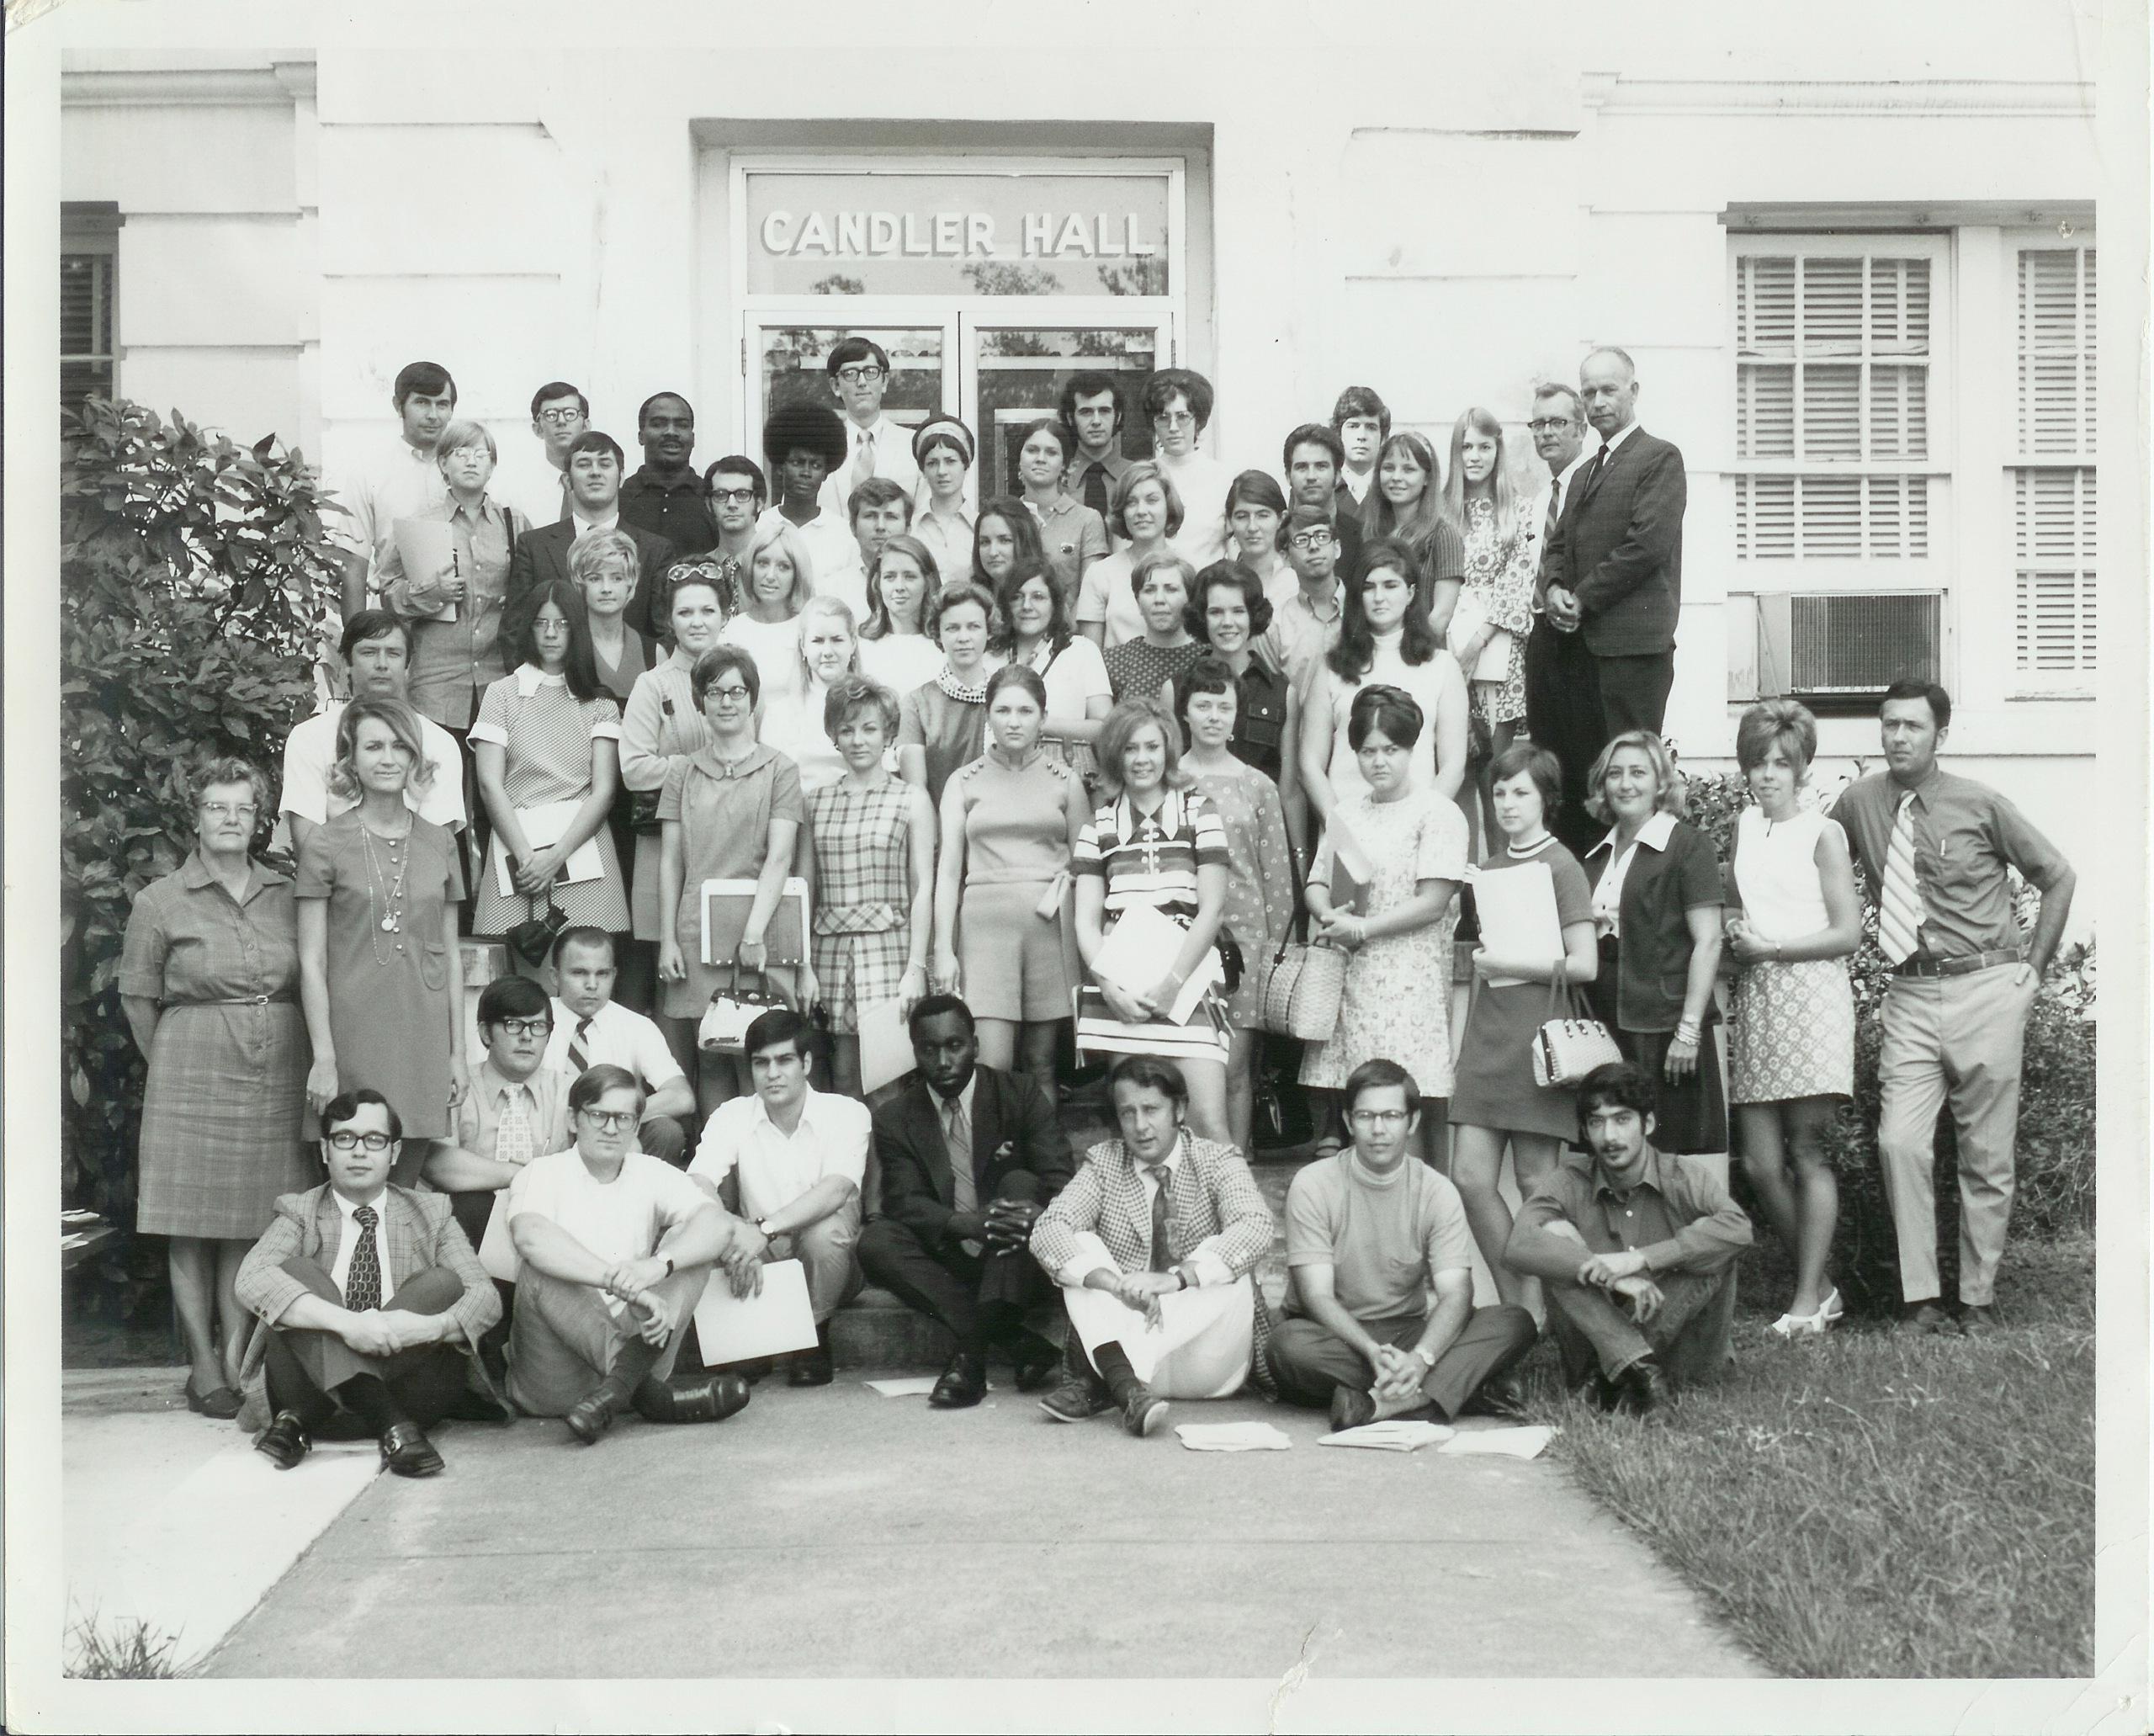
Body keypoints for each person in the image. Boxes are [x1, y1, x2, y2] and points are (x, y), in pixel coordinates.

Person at [1829, 680, 2076, 1335]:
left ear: (1942, 733)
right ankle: (1920, 1298)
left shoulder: (1980, 802)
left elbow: (2057, 874)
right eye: (1889, 725)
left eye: (1913, 726)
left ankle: (1978, 1297)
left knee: (1986, 1155)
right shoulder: (1858, 803)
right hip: (1909, 992)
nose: (1898, 737)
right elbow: (1815, 864)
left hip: (1986, 988)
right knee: (1899, 1142)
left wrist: (2034, 972)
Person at [119, 757, 313, 1419]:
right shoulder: (160, 899)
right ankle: (202, 1364)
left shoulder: (286, 892)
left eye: (243, 808)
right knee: (188, 1225)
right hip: (191, 1067)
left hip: (277, 1067)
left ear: (260, 819)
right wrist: (173, 1062)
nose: (230, 820)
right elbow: (138, 997)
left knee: (245, 1223)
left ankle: (236, 1358)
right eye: (216, 808)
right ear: (195, 816)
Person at [240, 1090, 504, 1478]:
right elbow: (251, 1277)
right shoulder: (300, 1212)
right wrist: (349, 1325)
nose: (359, 1151)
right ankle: (389, 1425)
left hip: (406, 1392)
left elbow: (485, 1297)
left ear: (394, 1153)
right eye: (344, 1138)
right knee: (295, 1272)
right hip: (319, 1390)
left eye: (374, 1140)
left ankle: (302, 1421)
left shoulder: (431, 1213)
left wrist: (433, 1326)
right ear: (326, 1151)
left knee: (444, 1284)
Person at [1270, 1059, 1537, 1430]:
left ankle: (1379, 1404)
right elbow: (1316, 1297)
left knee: (1513, 1321)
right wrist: (1371, 1350)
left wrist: (1422, 1358)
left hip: (1408, 1331)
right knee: (1287, 1347)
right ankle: (1454, 1389)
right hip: (1336, 1337)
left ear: (1412, 1122)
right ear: (1348, 1122)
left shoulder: (1436, 1190)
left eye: (1392, 1116)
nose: (1378, 1129)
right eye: (1366, 1116)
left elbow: (1456, 1294)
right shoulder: (1313, 1183)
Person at [1030, 1056, 1276, 1436]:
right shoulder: (1105, 1163)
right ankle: (1128, 1388)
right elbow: (1048, 1229)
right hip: (1138, 1355)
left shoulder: (1217, 1159)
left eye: (1151, 1110)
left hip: (1208, 1361)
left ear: (1179, 1109)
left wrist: (1176, 1279)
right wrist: (1115, 1284)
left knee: (1222, 1256)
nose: (1140, 1126)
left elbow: (1257, 1226)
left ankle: (1108, 1381)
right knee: (1078, 1245)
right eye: (1127, 1113)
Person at [503, 1065, 750, 1441]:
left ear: (637, 1126)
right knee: (542, 1270)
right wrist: (620, 1283)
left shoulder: (650, 1171)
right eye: (598, 1115)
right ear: (573, 1119)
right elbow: (530, 1237)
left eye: (623, 1118)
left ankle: (619, 1389)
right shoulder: (542, 1172)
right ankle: (652, 1398)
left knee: (692, 1246)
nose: (611, 1127)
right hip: (556, 1379)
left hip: (641, 1347)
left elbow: (717, 1226)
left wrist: (657, 1267)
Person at [858, 994, 1071, 1407]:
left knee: (1020, 1181)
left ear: (975, 1044)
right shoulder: (895, 1116)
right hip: (952, 1250)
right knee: (876, 1242)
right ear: (915, 1051)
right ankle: (1016, 1341)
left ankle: (969, 1357)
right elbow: (904, 1200)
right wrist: (969, 1224)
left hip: (1016, 1255)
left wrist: (1036, 1214)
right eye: (929, 1049)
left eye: (954, 1046)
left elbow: (1060, 1178)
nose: (943, 1061)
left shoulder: (1020, 1093)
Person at [1504, 1062, 1752, 1415]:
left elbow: (1740, 1229)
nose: (1609, 1136)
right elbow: (1519, 1244)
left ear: (1647, 1124)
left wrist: (1643, 1259)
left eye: (1622, 1120)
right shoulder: (1570, 1179)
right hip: (1594, 1344)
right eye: (1596, 1122)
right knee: (1554, 1242)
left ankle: (1616, 1374)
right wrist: (1604, 1272)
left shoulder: (1682, 1177)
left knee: (1711, 1244)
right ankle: (1636, 1373)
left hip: (1679, 1353)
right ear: (1586, 1131)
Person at [1725, 701, 1862, 1336]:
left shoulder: (1822, 833)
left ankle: (1806, 1296)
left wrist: (1774, 948)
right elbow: (1746, 900)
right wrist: (1738, 929)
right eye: (1758, 761)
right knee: (1757, 1163)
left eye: (1782, 762)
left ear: (1803, 767)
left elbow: (1847, 932)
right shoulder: (1745, 825)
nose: (1768, 773)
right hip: (1758, 992)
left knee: (1809, 1153)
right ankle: (1825, 1284)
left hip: (1811, 993)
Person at [1449, 743, 1600, 1309]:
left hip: (1540, 1036)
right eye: (1500, 792)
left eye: (1521, 792)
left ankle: (1564, 1310)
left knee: (1538, 1183)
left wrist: (1510, 964)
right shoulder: (1487, 868)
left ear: (1546, 799)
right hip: (1488, 1036)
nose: (1508, 803)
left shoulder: (1561, 865)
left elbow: (1585, 964)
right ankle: (1520, 1309)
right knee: (1469, 1176)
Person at [294, 697, 467, 1178]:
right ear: (350, 759)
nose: (387, 758)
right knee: (349, 1187)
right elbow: (311, 961)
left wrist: (458, 1055)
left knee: (405, 1188)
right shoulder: (324, 843)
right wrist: (324, 1057)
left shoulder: (441, 842)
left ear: (415, 758)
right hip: (350, 1039)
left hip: (423, 1037)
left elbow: (451, 956)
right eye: (373, 746)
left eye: (399, 746)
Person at [1300, 687, 1468, 1166]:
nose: (1379, 762)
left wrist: (1364, 929)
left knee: (1406, 1107)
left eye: (1391, 750)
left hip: (1409, 981)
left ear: (1412, 749)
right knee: (1365, 1110)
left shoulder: (1437, 812)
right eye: (1368, 751)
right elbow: (1317, 881)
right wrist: (1329, 914)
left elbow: (1433, 902)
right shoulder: (1348, 813)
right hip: (1352, 981)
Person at [1071, 699, 1234, 1144]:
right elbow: (1086, 921)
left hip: (1188, 980)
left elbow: (1212, 908)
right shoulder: (1098, 825)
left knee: (1208, 1124)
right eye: (1130, 749)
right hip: (1122, 988)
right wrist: (1109, 987)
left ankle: (1239, 1216)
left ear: (1168, 750)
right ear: (1114, 756)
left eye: (1152, 747)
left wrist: (1174, 981)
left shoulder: (1199, 812)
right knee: (1140, 1128)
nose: (1142, 759)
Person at [657, 645, 808, 1112]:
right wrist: (667, 939)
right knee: (713, 1060)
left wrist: (753, 934)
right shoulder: (682, 772)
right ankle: (719, 1185)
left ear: (752, 698)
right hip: (697, 933)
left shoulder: (780, 770)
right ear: (700, 701)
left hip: (761, 931)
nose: (727, 701)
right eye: (715, 692)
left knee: (761, 1061)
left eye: (737, 691)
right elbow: (671, 861)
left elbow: (780, 858)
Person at [688, 1009, 868, 1384]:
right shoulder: (732, 1114)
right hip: (757, 1253)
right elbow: (698, 1183)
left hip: (827, 1262)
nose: (772, 1074)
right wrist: (736, 1232)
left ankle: (814, 1339)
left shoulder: (846, 1113)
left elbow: (835, 1191)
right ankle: (755, 1342)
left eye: (785, 1060)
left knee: (824, 1235)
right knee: (706, 1227)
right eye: (761, 1063)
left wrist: (764, 1229)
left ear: (806, 1063)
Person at [932, 665, 1087, 1080]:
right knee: (990, 1063)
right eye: (1003, 711)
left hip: (1049, 932)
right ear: (988, 715)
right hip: (984, 934)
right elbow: (948, 872)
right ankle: (990, 1147)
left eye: (1025, 711)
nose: (1014, 721)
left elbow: (1085, 866)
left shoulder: (1066, 781)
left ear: (1043, 717)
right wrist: (943, 949)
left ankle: (1042, 1148)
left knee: (1041, 1063)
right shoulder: (963, 781)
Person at [1579, 730, 1727, 1160]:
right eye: (1616, 774)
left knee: (1664, 1152)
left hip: (1662, 1025)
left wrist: (1689, 1030)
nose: (1626, 784)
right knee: (1610, 1146)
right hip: (1604, 1015)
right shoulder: (1597, 855)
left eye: (1638, 773)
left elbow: (1709, 941)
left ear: (1660, 783)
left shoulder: (1686, 845)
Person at [1176, 657, 1297, 1158]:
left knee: (1236, 1066)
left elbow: (1277, 878)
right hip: (1179, 937)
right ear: (1183, 710)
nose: (1213, 716)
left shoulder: (1258, 785)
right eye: (1203, 704)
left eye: (1224, 706)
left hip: (1244, 941)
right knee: (1184, 1062)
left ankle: (1237, 1166)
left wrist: (1273, 952)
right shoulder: (1165, 779)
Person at [470, 581, 632, 945]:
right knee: (524, 983)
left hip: (582, 847)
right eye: (541, 623)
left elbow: (604, 791)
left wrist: (555, 857)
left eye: (562, 624)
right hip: (517, 850)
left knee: (586, 964)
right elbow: (489, 784)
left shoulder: (600, 703)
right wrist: (530, 860)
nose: (551, 634)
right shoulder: (501, 694)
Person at [798, 674, 936, 1097]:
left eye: (870, 728)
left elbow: (923, 888)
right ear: (834, 736)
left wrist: (917, 967)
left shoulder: (911, 798)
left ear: (889, 734)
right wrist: (803, 965)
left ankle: (893, 1166)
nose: (859, 740)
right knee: (841, 1076)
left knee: (888, 1081)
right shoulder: (815, 801)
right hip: (830, 953)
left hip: (889, 952)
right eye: (847, 729)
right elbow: (804, 888)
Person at [1540, 347, 1687, 741]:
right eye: (1589, 393)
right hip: (1581, 652)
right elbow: (1558, 544)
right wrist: (1554, 588)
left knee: (1631, 770)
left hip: (1633, 652)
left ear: (1633, 390)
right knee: (1590, 776)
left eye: (1609, 390)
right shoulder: (1584, 471)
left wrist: (1581, 598)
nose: (1598, 402)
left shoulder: (1659, 458)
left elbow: (1645, 546)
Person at [618, 561, 730, 1023]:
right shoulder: (654, 683)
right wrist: (699, 765)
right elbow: (635, 769)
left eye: (708, 610)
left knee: (725, 973)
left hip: (728, 841)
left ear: (725, 614)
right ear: (669, 619)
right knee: (674, 978)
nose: (697, 621)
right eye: (685, 612)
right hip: (667, 843)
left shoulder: (740, 675)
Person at [1297, 539, 1468, 827]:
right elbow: (1310, 763)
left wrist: (1418, 823)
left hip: (1417, 827)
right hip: (1347, 829)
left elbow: (1453, 766)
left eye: (1390, 585)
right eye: (1368, 587)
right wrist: (1339, 825)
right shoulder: (1332, 666)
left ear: (1411, 592)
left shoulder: (1442, 667)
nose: (1379, 597)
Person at [375, 418, 524, 746]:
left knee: (494, 783)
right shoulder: (417, 525)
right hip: (436, 681)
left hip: (499, 676)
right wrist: (431, 593)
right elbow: (387, 596)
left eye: (481, 454)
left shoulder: (514, 523)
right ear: (443, 462)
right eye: (460, 452)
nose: (471, 461)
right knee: (438, 781)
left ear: (492, 465)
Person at [280, 612, 467, 858]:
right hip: (334, 888)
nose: (382, 664)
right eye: (369, 652)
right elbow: (309, 845)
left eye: (393, 653)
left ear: (408, 665)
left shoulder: (439, 743)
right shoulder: (308, 738)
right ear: (347, 662)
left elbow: (436, 849)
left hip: (414, 889)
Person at [1441, 407, 1540, 846]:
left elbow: (1519, 580)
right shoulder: (1442, 511)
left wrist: (1478, 642)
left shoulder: (1516, 511)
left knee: (1495, 770)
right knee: (1457, 764)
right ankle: (1462, 889)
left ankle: (1501, 870)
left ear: (1498, 450)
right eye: (1467, 446)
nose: (1475, 456)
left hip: (1497, 653)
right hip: (1448, 647)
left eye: (1485, 446)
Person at [424, 974, 572, 1251]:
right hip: (475, 1225)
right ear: (485, 1032)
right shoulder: (458, 1087)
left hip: (550, 1220)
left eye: (538, 1026)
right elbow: (438, 1164)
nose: (527, 1036)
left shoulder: (568, 1090)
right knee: (466, 1203)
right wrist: (523, 1175)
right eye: (513, 1025)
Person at [1520, 383, 1600, 852]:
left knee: (1583, 766)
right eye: (1539, 424)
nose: (1547, 432)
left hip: (1581, 640)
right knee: (1548, 766)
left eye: (1558, 422)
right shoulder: (1536, 501)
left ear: (1582, 428)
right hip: (1542, 640)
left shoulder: (1592, 485)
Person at [543, 927, 696, 1165]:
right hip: (548, 1132)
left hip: (615, 1138)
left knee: (666, 1131)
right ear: (554, 976)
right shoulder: (535, 1021)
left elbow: (682, 1096)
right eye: (579, 973)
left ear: (614, 975)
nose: (592, 984)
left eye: (602, 974)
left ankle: (640, 1200)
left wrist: (608, 1116)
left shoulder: (636, 1025)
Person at [507, 431, 676, 640]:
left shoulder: (655, 550)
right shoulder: (533, 546)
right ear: (568, 480)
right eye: (584, 464)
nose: (595, 472)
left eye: (605, 464)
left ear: (621, 477)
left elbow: (665, 634)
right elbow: (514, 631)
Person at [329, 359, 454, 617]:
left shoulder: (470, 469)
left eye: (442, 404)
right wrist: (356, 640)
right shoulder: (370, 474)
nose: (433, 415)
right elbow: (354, 565)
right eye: (422, 402)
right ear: (399, 406)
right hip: (396, 621)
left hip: (462, 630)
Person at [1191, 561, 1302, 850]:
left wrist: (1300, 858)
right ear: (1202, 618)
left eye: (1238, 611)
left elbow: (1289, 790)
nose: (1228, 622)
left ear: (1253, 616)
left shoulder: (1281, 692)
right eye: (1216, 612)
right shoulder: (1178, 688)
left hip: (1261, 840)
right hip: (1194, 839)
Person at [994, 555, 1112, 780]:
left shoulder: (1081, 650)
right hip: (999, 770)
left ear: (1055, 603)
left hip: (1064, 770)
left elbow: (1105, 726)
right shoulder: (991, 653)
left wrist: (1041, 722)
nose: (1026, 606)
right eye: (1017, 597)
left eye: (1038, 597)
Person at [897, 581, 999, 810]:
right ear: (938, 634)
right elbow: (916, 790)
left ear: (989, 631)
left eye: (973, 627)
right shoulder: (916, 703)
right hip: (939, 828)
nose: (963, 637)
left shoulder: (1005, 698)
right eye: (952, 628)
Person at [1361, 430, 1465, 635]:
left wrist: (1406, 655)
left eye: (1409, 469)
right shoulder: (1371, 531)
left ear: (1427, 477)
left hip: (1419, 652)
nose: (1396, 477)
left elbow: (1441, 615)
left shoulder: (1443, 535)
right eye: (1389, 468)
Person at [751, 595, 858, 795]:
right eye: (818, 641)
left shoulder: (872, 708)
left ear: (852, 643)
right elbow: (771, 787)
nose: (828, 651)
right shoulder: (779, 714)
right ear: (803, 646)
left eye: (837, 640)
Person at [1075, 462, 1182, 650]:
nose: (1141, 511)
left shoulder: (1190, 569)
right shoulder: (1101, 573)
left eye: (1151, 500)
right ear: (1122, 511)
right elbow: (1089, 657)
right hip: (1114, 677)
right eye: (1131, 502)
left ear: (1168, 506)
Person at [721, 516, 815, 723]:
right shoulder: (732, 632)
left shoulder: (810, 630)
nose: (770, 575)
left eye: (783, 566)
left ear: (797, 574)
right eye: (763, 563)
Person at [817, 336, 921, 521]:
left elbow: (923, 520)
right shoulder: (819, 448)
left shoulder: (913, 446)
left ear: (885, 381)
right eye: (850, 373)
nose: (862, 382)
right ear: (835, 386)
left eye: (871, 371)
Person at [1143, 369, 1231, 567]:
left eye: (1182, 416)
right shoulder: (1142, 476)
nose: (1173, 427)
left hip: (1207, 591)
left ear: (1198, 420)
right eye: (1163, 418)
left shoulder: (1224, 478)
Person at [1014, 416, 1107, 600]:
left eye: (1051, 452)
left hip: (1068, 627)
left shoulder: (1087, 520)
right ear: (1019, 460)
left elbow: (1090, 596)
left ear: (1066, 465)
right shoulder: (1005, 518)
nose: (1041, 459)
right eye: (1032, 450)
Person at [764, 402, 857, 587]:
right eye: (798, 462)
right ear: (781, 467)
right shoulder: (761, 527)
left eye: (815, 465)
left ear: (825, 474)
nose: (806, 472)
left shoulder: (845, 535)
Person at [618, 392, 719, 557]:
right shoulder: (621, 498)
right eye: (658, 424)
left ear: (693, 438)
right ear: (641, 436)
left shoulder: (711, 499)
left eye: (682, 425)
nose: (671, 432)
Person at [1103, 550, 1205, 709]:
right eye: (1149, 590)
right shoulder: (1115, 661)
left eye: (1171, 589)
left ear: (1190, 599)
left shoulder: (1207, 658)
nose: (1159, 600)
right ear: (1138, 602)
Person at [572, 529, 657, 708]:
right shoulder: (568, 648)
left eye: (617, 578)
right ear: (581, 584)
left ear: (631, 582)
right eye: (595, 578)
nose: (606, 588)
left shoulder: (654, 652)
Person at [1267, 504, 1346, 693]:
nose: (1313, 546)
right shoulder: (1276, 626)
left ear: (1336, 548)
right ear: (1285, 558)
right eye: (1301, 540)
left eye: (1322, 536)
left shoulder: (1362, 609)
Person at [856, 534, 947, 698]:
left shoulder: (944, 646)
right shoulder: (862, 647)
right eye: (890, 577)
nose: (899, 587)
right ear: (877, 584)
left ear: (927, 582)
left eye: (910, 577)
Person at [819, 475, 914, 624]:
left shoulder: (923, 586)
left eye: (891, 517)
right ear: (853, 527)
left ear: (908, 528)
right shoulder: (831, 591)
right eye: (870, 516)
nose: (880, 526)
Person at [497, 380, 587, 530]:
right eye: (551, 415)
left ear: (586, 426)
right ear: (537, 430)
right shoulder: (515, 492)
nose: (561, 421)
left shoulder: (601, 482)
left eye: (570, 414)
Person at [1282, 422, 1365, 584]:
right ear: (1288, 476)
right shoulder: (1276, 537)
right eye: (1301, 467)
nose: (1311, 476)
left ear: (1338, 475)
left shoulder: (1361, 537)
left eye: (1321, 466)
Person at [909, 414, 977, 589]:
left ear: (965, 465)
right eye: (932, 463)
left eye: (950, 461)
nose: (942, 471)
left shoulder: (981, 527)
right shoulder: (910, 528)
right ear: (923, 470)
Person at [1059, 370, 1133, 528]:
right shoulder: (1058, 481)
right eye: (1086, 412)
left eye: (1104, 411)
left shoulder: (1136, 477)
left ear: (1118, 416)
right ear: (1070, 418)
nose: (1096, 421)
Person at [1223, 470, 1294, 614]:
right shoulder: (1221, 582)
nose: (1252, 527)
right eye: (1242, 516)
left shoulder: (1297, 578)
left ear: (1281, 519)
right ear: (1229, 521)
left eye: (1263, 515)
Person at [1329, 385, 1390, 524]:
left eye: (1371, 427)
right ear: (1338, 433)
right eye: (1353, 426)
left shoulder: (1392, 487)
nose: (1362, 436)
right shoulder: (1325, 485)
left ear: (1384, 437)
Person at [968, 493, 1045, 599]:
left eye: (1004, 540)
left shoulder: (1044, 600)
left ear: (1025, 542)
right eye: (985, 542)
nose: (993, 552)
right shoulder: (971, 601)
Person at [702, 454, 767, 570]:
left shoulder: (775, 565)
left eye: (742, 495)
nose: (731, 504)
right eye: (720, 495)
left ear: (759, 503)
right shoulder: (701, 570)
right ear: (709, 504)